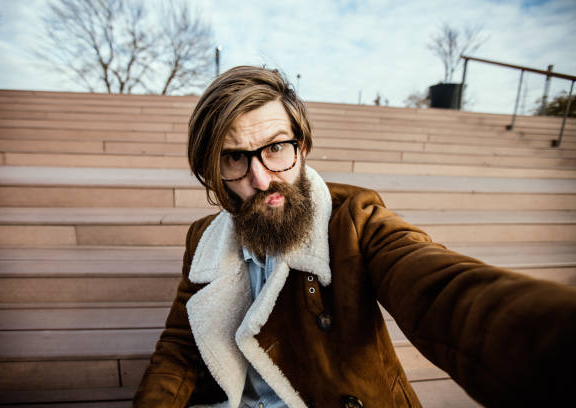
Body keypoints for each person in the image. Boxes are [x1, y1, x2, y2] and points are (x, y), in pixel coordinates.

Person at [134, 66, 576, 408]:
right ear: (214, 170)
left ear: (301, 147)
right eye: (235, 157)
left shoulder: (356, 219)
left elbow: (440, 290)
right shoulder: (204, 240)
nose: (262, 178)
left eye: (275, 148)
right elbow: (180, 347)